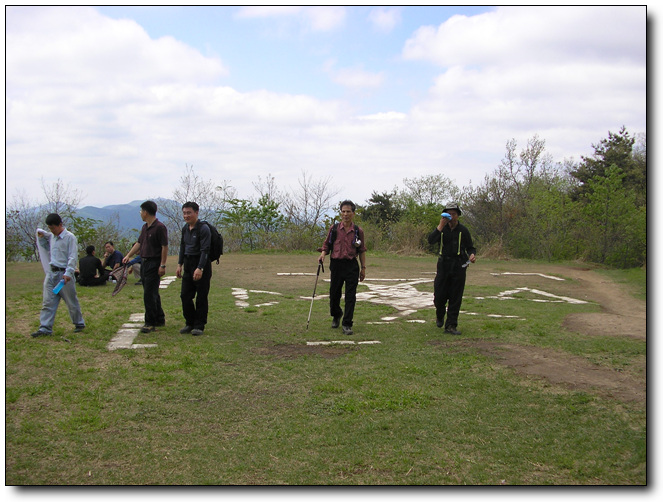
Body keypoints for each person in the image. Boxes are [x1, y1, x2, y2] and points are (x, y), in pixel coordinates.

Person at [31, 213, 86, 337]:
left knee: (71, 301)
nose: (52, 230)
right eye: (50, 228)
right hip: (51, 273)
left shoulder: (69, 237)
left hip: (64, 274)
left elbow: (72, 256)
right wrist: (41, 238)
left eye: (53, 228)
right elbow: (46, 248)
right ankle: (45, 328)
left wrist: (68, 272)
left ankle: (79, 323)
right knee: (48, 302)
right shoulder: (52, 237)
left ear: (60, 225)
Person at [318, 200, 367, 335]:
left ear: (353, 213)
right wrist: (323, 254)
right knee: (334, 294)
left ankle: (347, 323)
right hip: (336, 265)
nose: (345, 214)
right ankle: (336, 314)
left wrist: (363, 268)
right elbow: (326, 245)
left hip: (351, 265)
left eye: (348, 212)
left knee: (350, 296)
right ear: (341, 213)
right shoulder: (334, 229)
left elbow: (362, 250)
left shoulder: (358, 231)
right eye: (343, 211)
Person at [427, 202, 476, 335]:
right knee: (439, 295)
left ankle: (451, 325)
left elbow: (470, 247)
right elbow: (430, 240)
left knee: (455, 297)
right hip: (443, 265)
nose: (451, 217)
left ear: (458, 216)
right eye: (448, 214)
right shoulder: (441, 229)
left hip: (459, 265)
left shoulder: (463, 230)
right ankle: (440, 314)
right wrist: (440, 226)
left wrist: (472, 255)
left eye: (453, 214)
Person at [122, 201, 168, 333]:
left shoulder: (160, 227)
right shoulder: (144, 227)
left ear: (146, 212)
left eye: (141, 211)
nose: (141, 214)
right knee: (152, 292)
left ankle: (150, 322)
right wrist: (128, 255)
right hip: (144, 262)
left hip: (154, 263)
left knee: (149, 294)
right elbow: (139, 243)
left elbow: (164, 247)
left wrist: (162, 265)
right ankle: (159, 318)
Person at [176, 201, 212, 336]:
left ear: (196, 213)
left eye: (189, 213)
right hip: (188, 263)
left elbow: (205, 250)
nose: (186, 216)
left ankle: (199, 325)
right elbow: (182, 247)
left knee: (201, 296)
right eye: (184, 213)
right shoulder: (185, 228)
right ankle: (189, 322)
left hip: (201, 263)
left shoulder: (203, 229)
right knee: (185, 295)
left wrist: (200, 268)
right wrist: (179, 264)